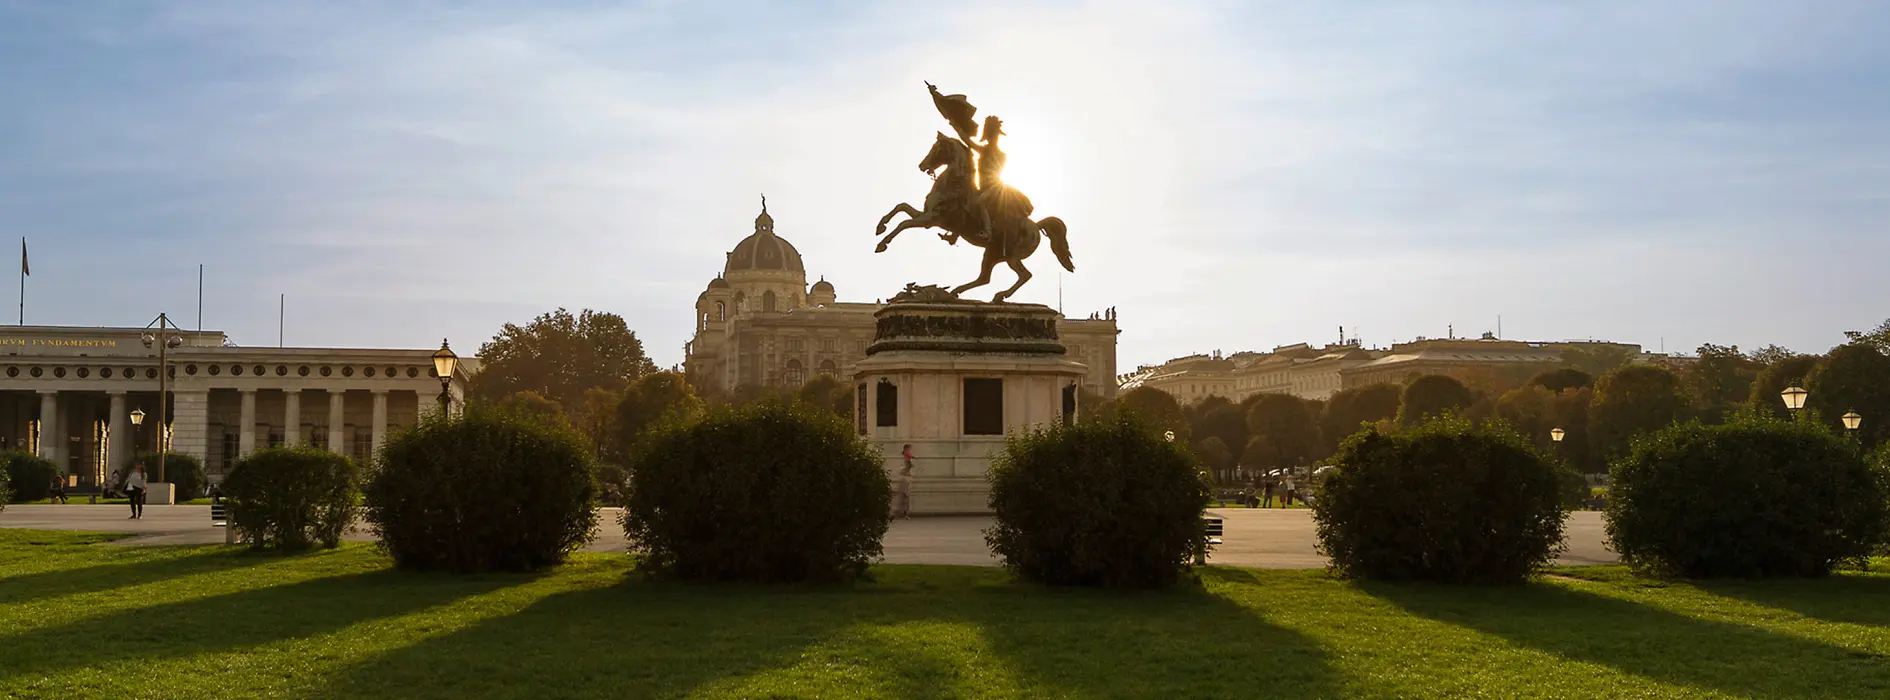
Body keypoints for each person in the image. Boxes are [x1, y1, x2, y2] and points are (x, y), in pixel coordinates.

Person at [894, 444, 916, 519]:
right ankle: (904, 513)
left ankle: (902, 513)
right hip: (904, 478)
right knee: (905, 496)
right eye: (909, 449)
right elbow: (907, 467)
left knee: (903, 497)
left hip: (903, 478)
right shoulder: (906, 458)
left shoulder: (906, 457)